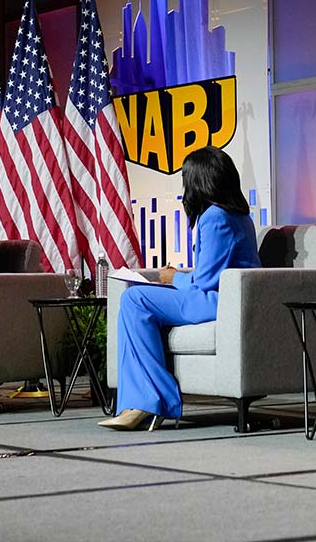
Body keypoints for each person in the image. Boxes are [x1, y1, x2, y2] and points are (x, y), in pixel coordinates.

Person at [100, 146, 260, 430]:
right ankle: (144, 401)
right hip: (223, 298)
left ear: (199, 181)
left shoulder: (215, 217)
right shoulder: (238, 216)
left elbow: (205, 281)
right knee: (137, 302)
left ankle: (150, 402)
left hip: (217, 301)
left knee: (135, 299)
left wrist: (173, 278)